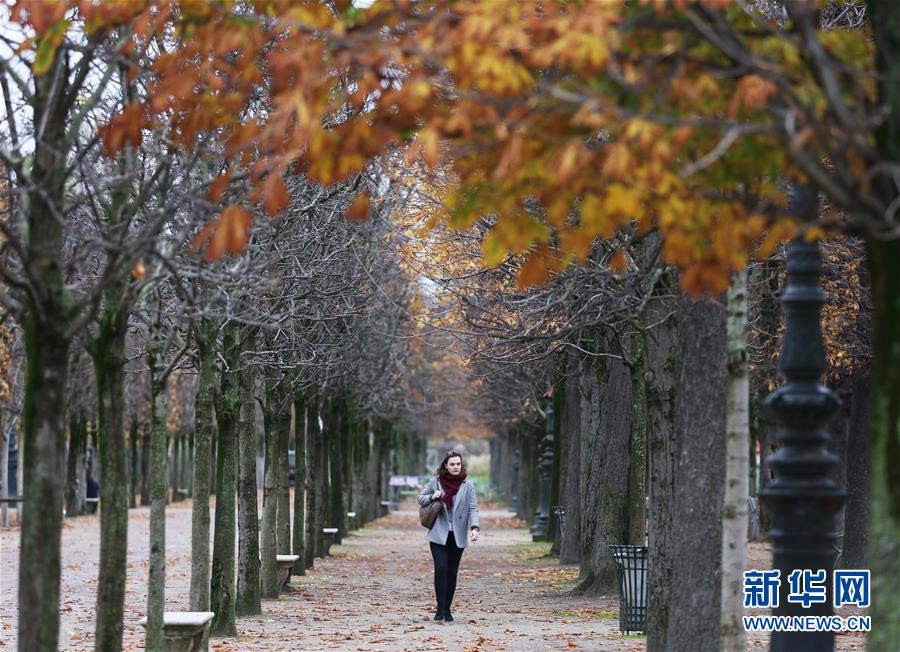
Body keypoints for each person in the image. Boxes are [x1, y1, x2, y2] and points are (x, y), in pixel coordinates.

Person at [417, 450, 480, 622]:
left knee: (452, 572)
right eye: (452, 464)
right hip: (439, 533)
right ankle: (439, 608)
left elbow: (473, 508)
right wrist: (432, 496)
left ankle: (447, 608)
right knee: (441, 568)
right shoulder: (435, 482)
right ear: (446, 465)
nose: (455, 467)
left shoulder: (467, 484)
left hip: (457, 535)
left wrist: (475, 528)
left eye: (458, 464)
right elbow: (420, 498)